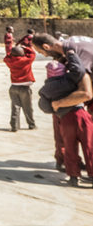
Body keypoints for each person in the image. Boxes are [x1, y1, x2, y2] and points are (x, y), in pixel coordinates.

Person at [36, 52, 93, 187]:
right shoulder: (70, 81)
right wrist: (72, 55)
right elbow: (78, 70)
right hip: (81, 115)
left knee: (69, 147)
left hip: (65, 119)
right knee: (89, 145)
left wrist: (57, 108)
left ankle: (73, 176)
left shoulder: (45, 89)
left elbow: (45, 108)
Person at [3, 44, 36, 132]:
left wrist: (11, 52)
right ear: (23, 54)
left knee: (15, 107)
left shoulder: (10, 61)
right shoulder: (26, 60)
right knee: (27, 107)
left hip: (13, 86)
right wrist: (26, 48)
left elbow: (6, 57)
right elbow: (33, 53)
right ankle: (31, 124)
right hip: (25, 87)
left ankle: (14, 126)